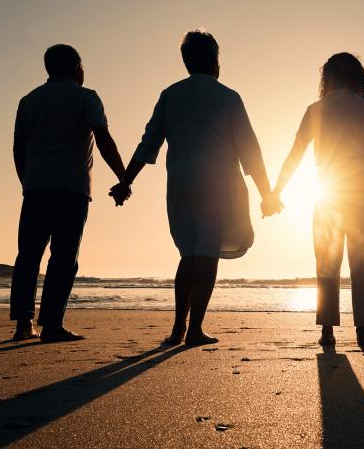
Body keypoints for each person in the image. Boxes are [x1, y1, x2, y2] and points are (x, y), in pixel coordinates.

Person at [109, 30, 280, 347]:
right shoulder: (228, 97)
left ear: (186, 61)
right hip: (219, 186)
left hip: (181, 185)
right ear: (215, 60)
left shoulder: (169, 95)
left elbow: (148, 144)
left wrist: (126, 181)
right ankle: (195, 329)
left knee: (188, 254)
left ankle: (177, 329)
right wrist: (267, 194)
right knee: (206, 255)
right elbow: (249, 150)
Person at [272, 52, 364, 347]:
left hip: (327, 187)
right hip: (361, 187)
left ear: (327, 78)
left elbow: (295, 154)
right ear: (357, 78)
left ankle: (327, 328)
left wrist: (277, 191)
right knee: (363, 260)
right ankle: (362, 329)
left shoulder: (315, 109)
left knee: (327, 258)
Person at [10, 44, 127, 343]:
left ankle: (23, 325)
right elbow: (103, 138)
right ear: (77, 67)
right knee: (63, 257)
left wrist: (27, 181)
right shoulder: (87, 97)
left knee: (28, 256)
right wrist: (123, 177)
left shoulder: (29, 100)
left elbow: (18, 148)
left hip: (36, 187)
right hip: (72, 187)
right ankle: (51, 325)